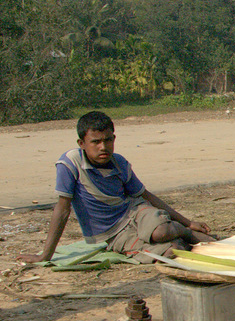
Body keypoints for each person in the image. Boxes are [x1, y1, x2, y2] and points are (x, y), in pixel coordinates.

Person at [18, 111, 215, 264]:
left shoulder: (119, 163)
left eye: (108, 140)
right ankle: (194, 240)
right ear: (82, 143)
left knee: (161, 232)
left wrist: (188, 223)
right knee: (172, 250)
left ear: (114, 138)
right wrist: (45, 254)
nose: (103, 147)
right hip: (113, 232)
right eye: (95, 142)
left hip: (135, 211)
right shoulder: (70, 164)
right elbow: (62, 209)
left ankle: (189, 233)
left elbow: (144, 195)